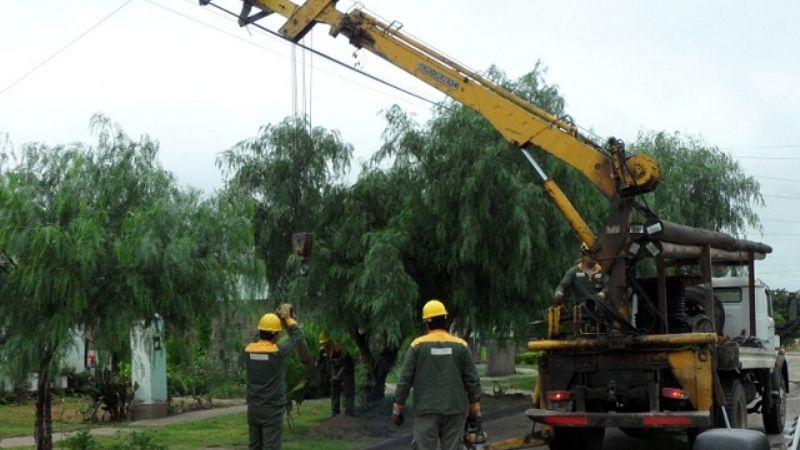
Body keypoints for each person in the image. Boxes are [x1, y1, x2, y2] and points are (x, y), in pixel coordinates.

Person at [392, 299, 482, 450]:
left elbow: (405, 380)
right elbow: (472, 380)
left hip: (426, 409)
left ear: (426, 323)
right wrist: (475, 408)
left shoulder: (417, 346)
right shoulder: (461, 346)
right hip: (455, 409)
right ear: (446, 320)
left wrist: (398, 407)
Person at [244, 305, 304, 450]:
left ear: (260, 330)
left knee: (255, 446)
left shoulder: (248, 350)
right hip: (272, 409)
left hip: (253, 408)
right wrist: (287, 318)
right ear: (276, 335)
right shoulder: (277, 352)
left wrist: (274, 320)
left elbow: (258, 338)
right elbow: (298, 336)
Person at [553, 242, 608, 308]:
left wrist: (603, 294)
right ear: (583, 255)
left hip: (599, 308)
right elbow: (562, 285)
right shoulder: (574, 271)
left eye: (595, 254)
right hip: (580, 309)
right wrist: (559, 293)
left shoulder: (602, 271)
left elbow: (607, 286)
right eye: (590, 254)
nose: (593, 257)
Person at [316, 331, 355, 416]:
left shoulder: (340, 349)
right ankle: (335, 412)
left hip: (347, 369)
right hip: (336, 367)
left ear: (330, 342)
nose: (325, 345)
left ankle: (349, 412)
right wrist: (314, 371)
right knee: (334, 387)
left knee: (348, 388)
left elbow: (345, 366)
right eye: (323, 343)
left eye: (326, 343)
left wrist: (337, 377)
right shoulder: (323, 351)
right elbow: (318, 363)